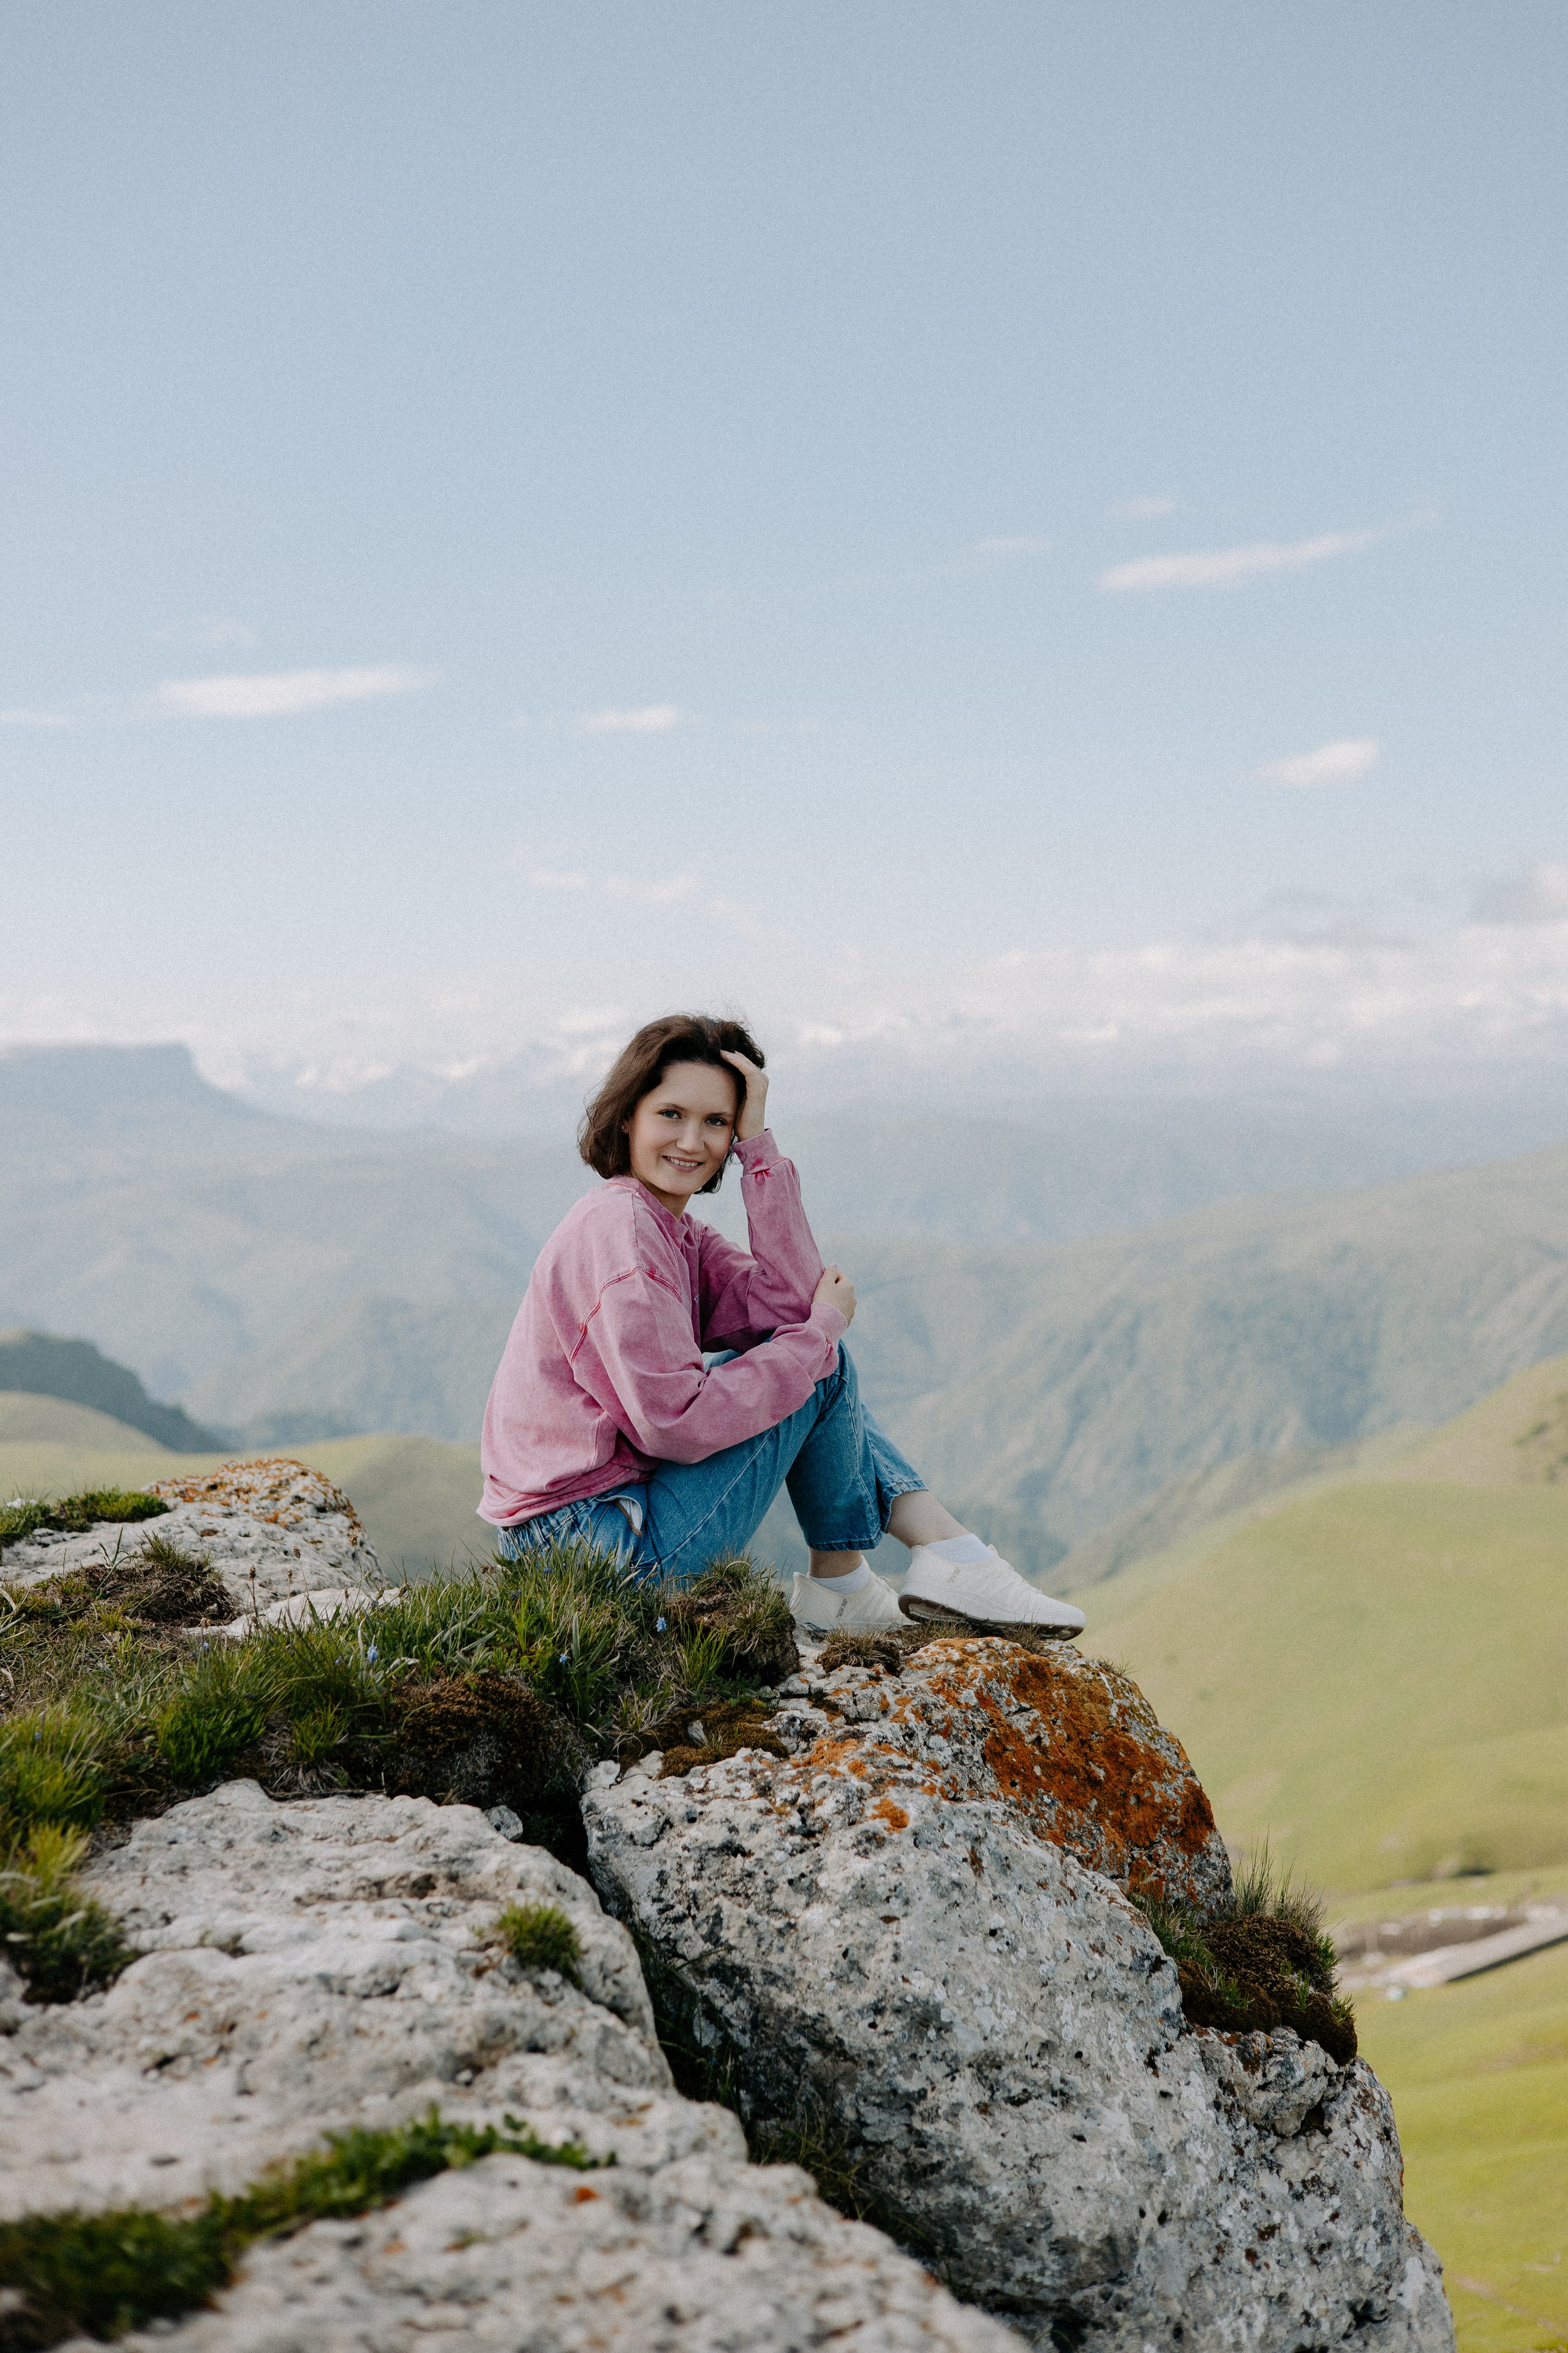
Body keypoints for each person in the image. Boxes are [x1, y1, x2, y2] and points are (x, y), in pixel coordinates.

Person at [478, 1012, 1086, 1638]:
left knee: (807, 1351)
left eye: (716, 1122)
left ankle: (876, 1573)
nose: (692, 1141)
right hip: (595, 1552)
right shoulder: (622, 1235)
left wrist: (759, 1147)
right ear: (628, 1114)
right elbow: (673, 1423)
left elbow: (791, 1301)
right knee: (813, 1358)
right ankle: (918, 1561)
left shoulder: (668, 1229)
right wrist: (818, 1334)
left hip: (597, 1531)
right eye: (671, 1114)